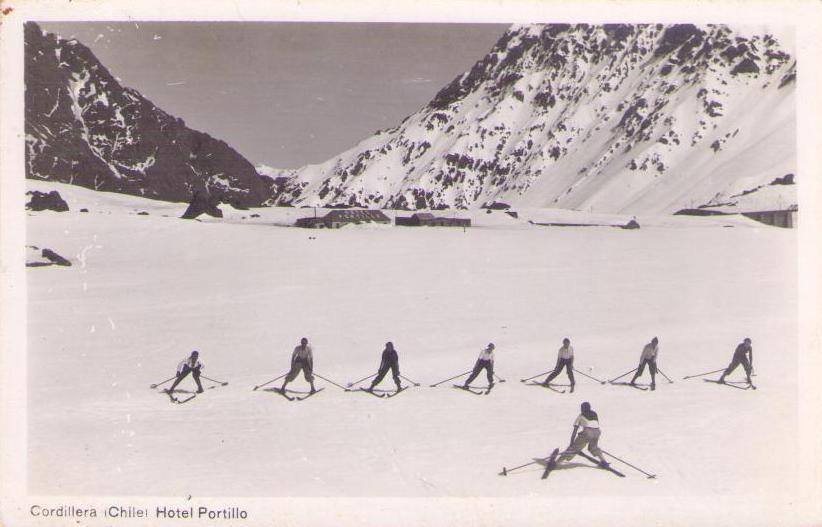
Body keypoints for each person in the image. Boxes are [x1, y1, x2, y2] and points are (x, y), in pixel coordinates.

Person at [557, 402, 608, 466]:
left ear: (582, 408)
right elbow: (595, 424)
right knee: (593, 447)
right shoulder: (595, 414)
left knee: (573, 449)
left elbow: (575, 430)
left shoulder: (581, 415)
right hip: (597, 431)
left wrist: (571, 443)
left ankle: (557, 462)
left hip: (588, 432)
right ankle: (603, 461)